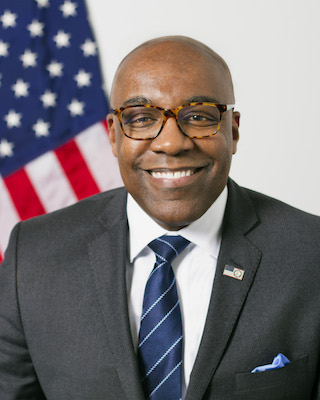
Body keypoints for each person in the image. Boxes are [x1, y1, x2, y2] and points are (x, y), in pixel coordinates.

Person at [0, 36, 319, 400]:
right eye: (141, 118)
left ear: (232, 130)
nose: (171, 143)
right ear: (113, 135)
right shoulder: (34, 255)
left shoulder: (312, 255)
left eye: (198, 116)